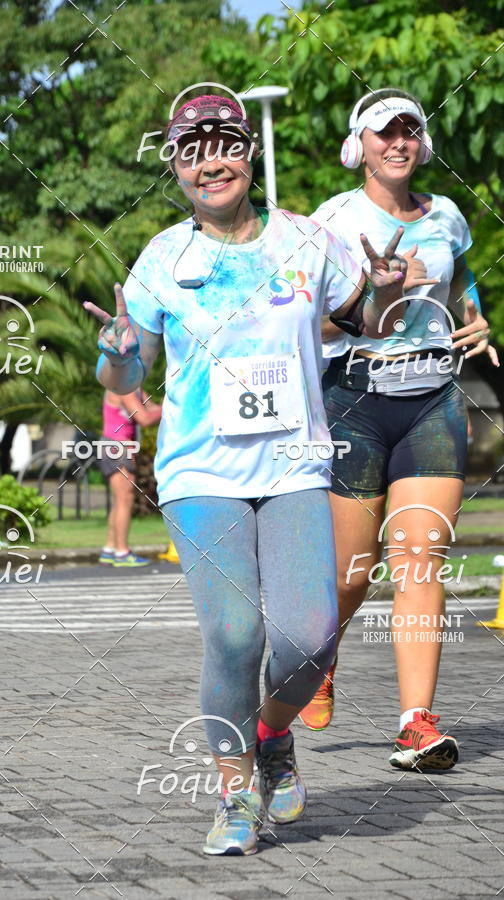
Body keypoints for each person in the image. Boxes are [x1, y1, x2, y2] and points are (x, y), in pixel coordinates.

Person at [85, 93, 422, 856]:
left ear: (247, 153)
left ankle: (272, 736)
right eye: (191, 150)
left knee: (308, 639)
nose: (210, 160)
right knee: (235, 635)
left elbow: (360, 318)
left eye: (224, 144)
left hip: (297, 465)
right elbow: (121, 371)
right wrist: (114, 351)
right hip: (202, 473)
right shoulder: (164, 260)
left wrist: (388, 293)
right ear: (174, 166)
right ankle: (237, 795)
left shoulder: (308, 241)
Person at [298, 88, 498, 772]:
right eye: (385, 132)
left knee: (420, 558)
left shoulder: (446, 217)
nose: (399, 142)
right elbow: (305, 324)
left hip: (432, 401)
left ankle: (416, 723)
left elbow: (462, 285)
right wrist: (373, 302)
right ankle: (321, 659)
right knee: (352, 575)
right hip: (354, 400)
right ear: (361, 145)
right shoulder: (331, 222)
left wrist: (477, 318)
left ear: (423, 143)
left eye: (410, 130)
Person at [99, 388, 161, 567]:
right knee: (125, 500)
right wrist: (169, 408)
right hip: (117, 446)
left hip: (118, 445)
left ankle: (110, 549)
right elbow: (145, 418)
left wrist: (165, 406)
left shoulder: (136, 389)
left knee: (120, 500)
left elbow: (151, 407)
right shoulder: (123, 387)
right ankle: (122, 552)